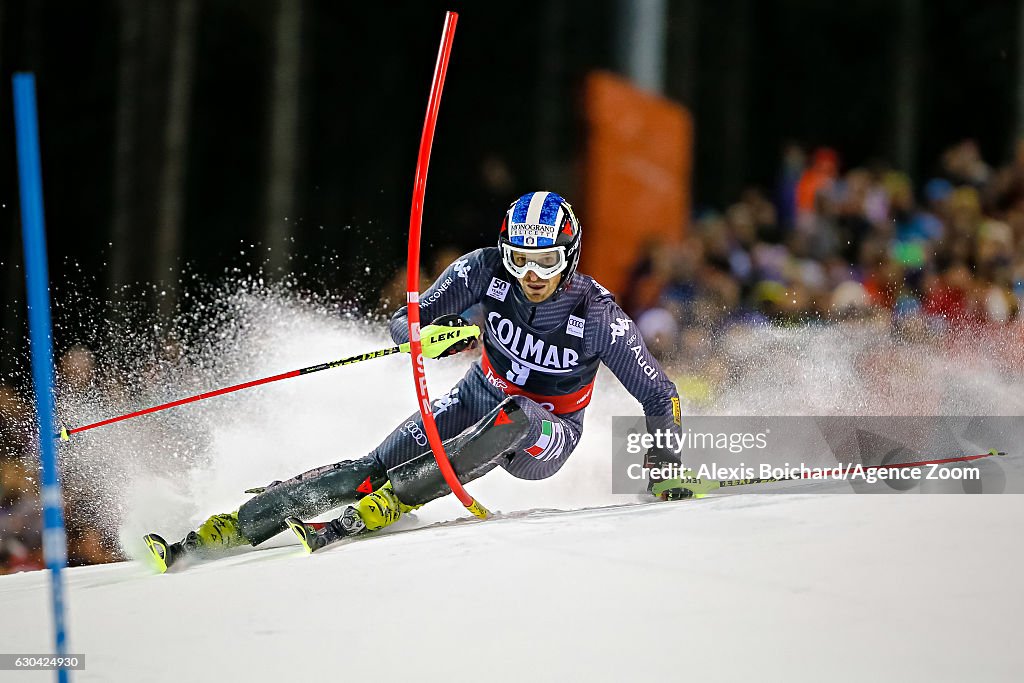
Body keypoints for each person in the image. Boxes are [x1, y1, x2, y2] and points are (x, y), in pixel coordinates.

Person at [144, 191, 686, 571]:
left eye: (546, 261)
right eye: (521, 259)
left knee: (519, 418)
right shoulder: (483, 269)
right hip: (480, 391)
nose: (532, 276)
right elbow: (405, 319)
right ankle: (234, 525)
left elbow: (659, 393)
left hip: (549, 433)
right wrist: (432, 333)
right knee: (376, 463)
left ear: (569, 255)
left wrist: (662, 472)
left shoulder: (597, 314)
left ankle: (397, 502)